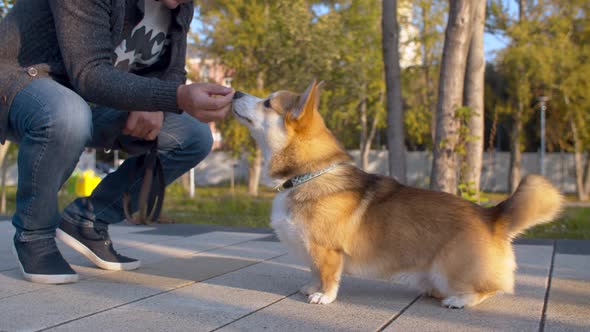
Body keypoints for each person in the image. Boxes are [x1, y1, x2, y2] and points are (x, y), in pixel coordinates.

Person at [1, 0, 235, 284]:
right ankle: (34, 234)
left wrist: (157, 104)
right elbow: (90, 74)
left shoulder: (179, 6)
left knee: (193, 136)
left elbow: (173, 72)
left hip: (94, 100)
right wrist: (173, 96)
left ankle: (88, 220)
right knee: (68, 113)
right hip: (24, 81)